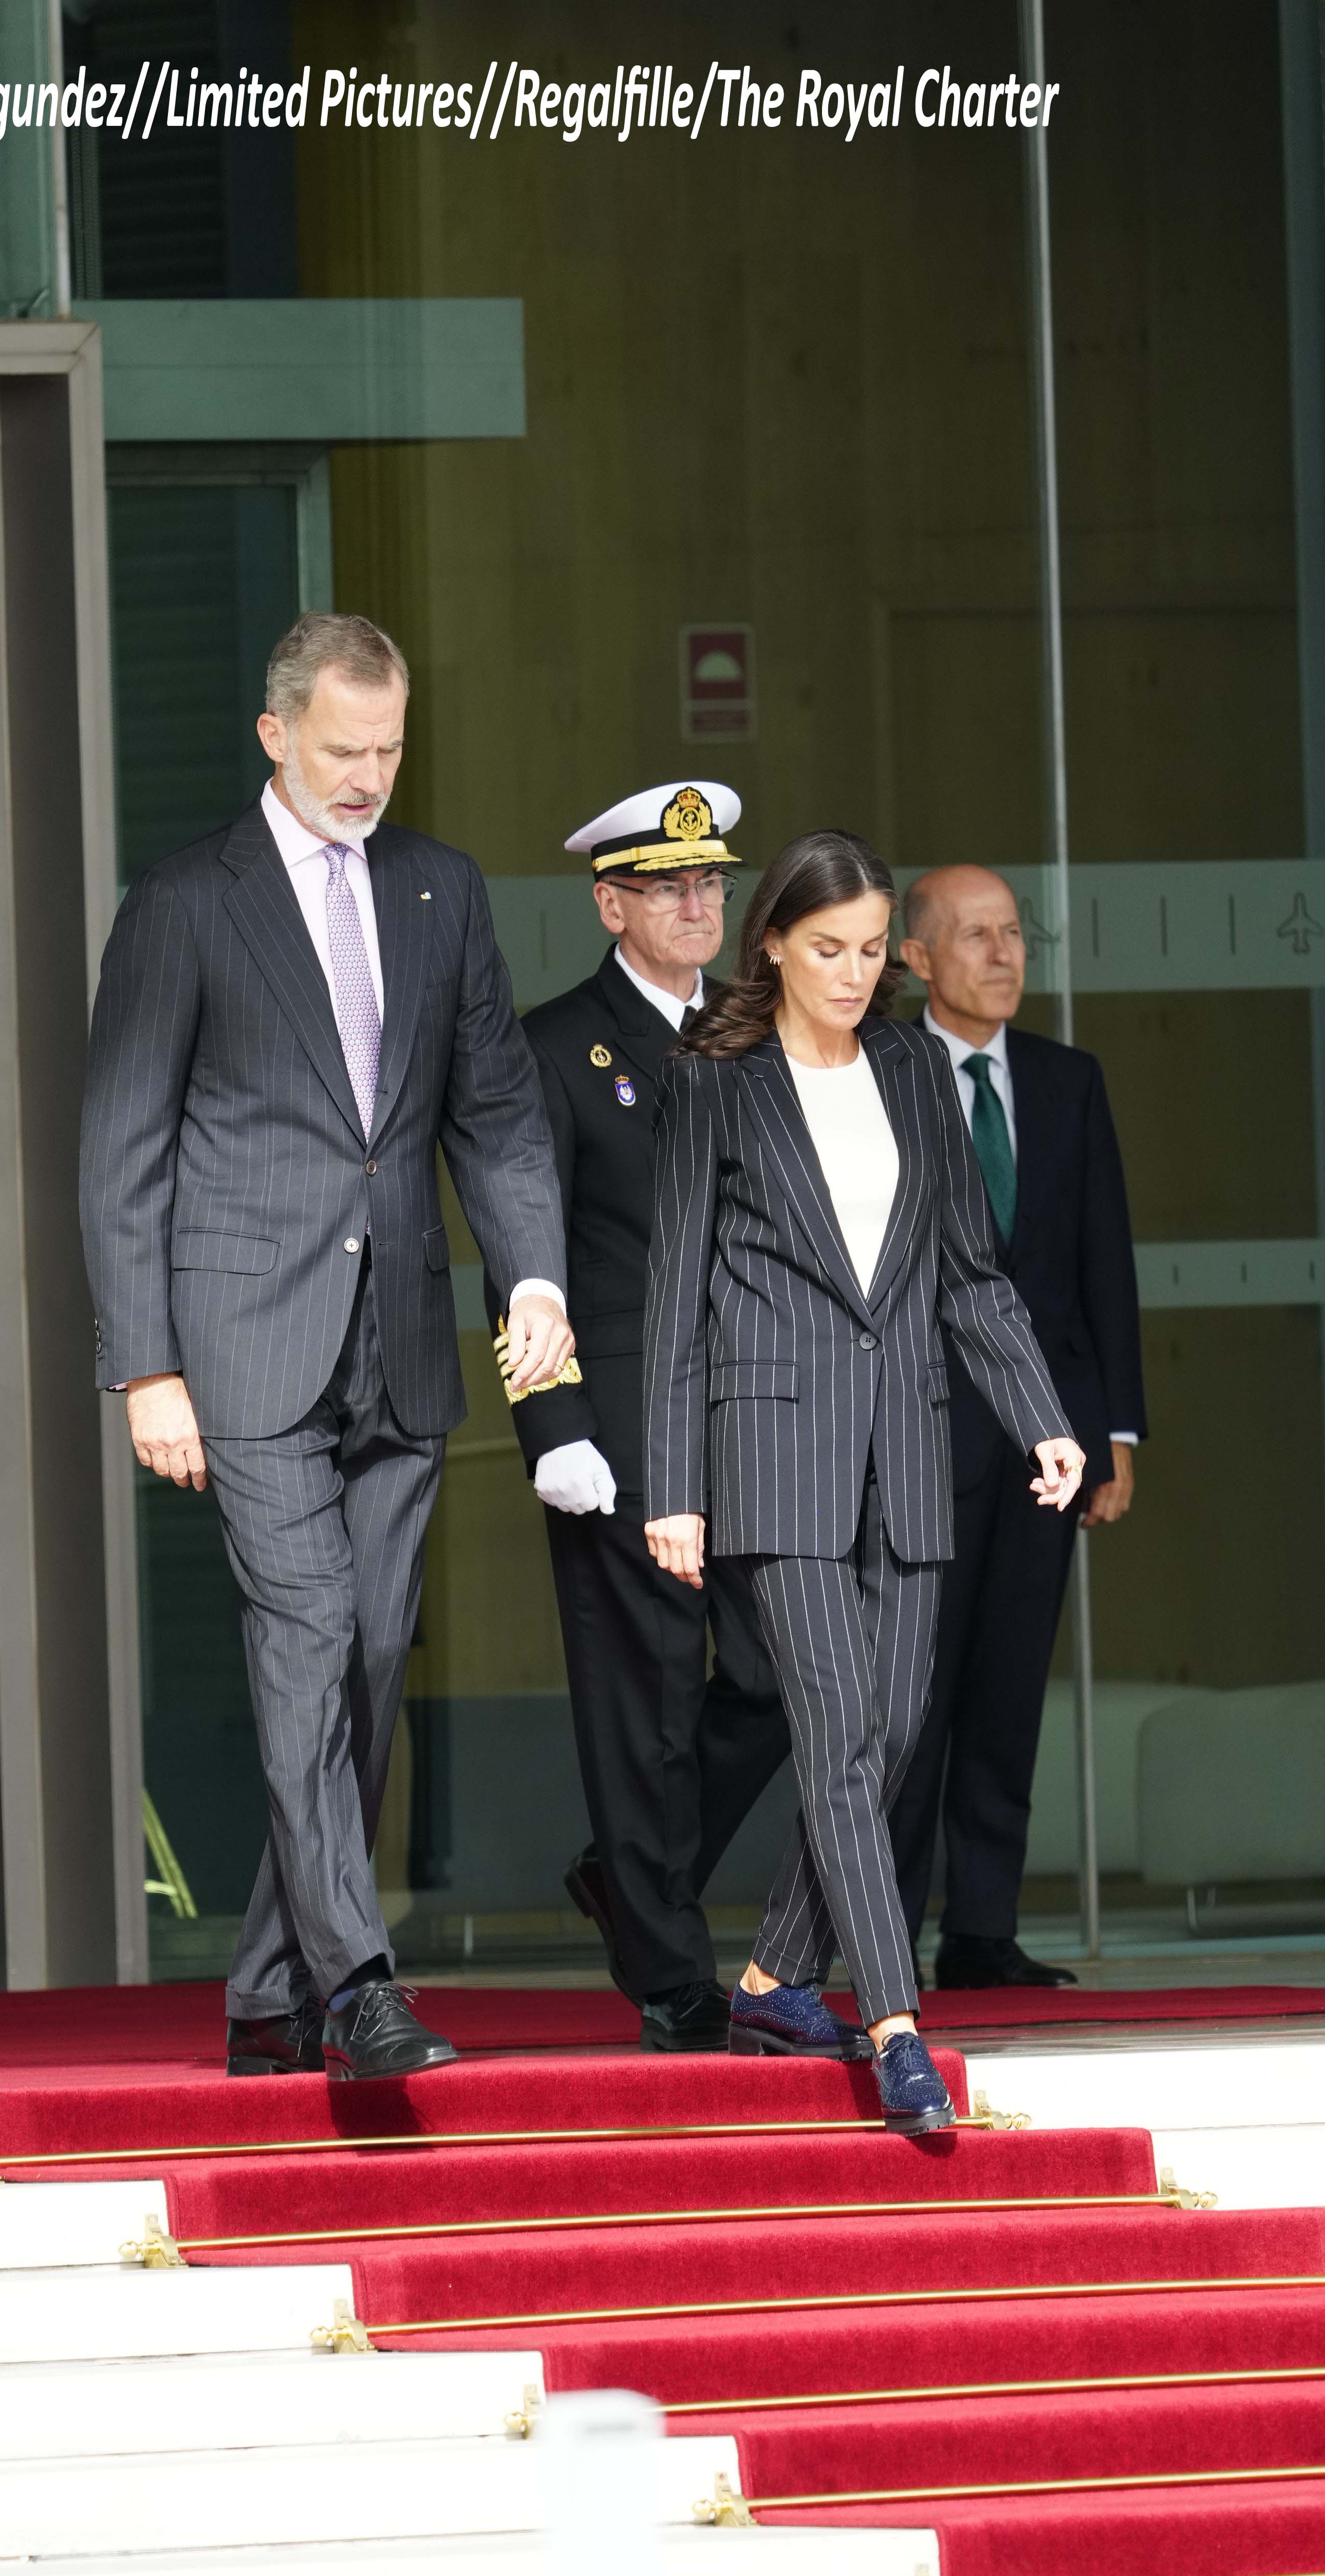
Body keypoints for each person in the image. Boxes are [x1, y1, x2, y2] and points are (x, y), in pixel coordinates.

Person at [80, 612, 570, 2081]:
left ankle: (263, 1993)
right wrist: (144, 1367)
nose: (371, 776)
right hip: (244, 1343)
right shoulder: (185, 903)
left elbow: (493, 1111)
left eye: (393, 748)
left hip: (404, 1338)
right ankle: (358, 1981)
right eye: (346, 749)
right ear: (275, 733)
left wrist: (531, 1277)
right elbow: (121, 1153)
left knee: (364, 1654)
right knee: (302, 1640)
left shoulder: (440, 891)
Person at [642, 830, 1083, 2134]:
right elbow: (673, 1308)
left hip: (912, 1447)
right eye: (827, 948)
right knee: (840, 1736)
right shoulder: (710, 1087)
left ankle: (778, 1979)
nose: (853, 971)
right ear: (769, 941)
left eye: (873, 949)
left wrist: (1040, 1419)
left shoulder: (908, 1068)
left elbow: (968, 1272)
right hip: (773, 1459)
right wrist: (673, 1486)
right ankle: (895, 2027)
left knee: (888, 1742)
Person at [490, 782, 790, 2051]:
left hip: (754, 1410)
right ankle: (672, 1975)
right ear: (611, 902)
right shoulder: (554, 1045)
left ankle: (631, 1877)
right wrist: (550, 1422)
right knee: (645, 1692)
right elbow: (524, 1251)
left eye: (711, 882)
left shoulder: (759, 1036)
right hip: (616, 1415)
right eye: (668, 886)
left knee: (779, 1680)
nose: (697, 902)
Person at [889, 865, 1146, 1990]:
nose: (1004, 955)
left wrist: (1116, 1434)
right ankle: (883, 1928)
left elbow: (1104, 1266)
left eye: (1013, 934)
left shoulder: (1066, 1081)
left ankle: (982, 1932)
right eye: (976, 936)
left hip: (1047, 1437)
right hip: (918, 1432)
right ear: (917, 958)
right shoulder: (878, 1074)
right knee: (913, 1692)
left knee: (1005, 1686)